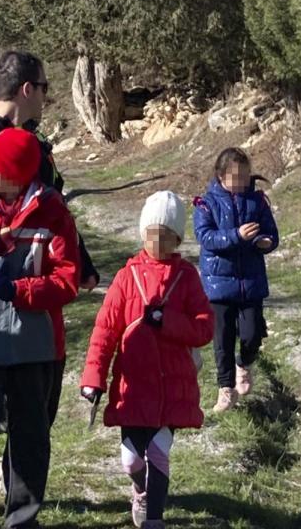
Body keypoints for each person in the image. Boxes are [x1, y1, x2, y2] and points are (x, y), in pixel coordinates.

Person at [0, 50, 99, 517]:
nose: (47, 96)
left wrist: (82, 267)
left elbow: (58, 215)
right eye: (44, 87)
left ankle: (21, 508)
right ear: (28, 88)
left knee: (32, 424)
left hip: (34, 332)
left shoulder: (34, 147)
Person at [80, 191, 213, 529]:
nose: (156, 242)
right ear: (142, 233)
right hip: (133, 388)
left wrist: (168, 321)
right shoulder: (126, 278)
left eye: (165, 236)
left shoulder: (187, 278)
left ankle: (154, 519)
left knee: (158, 453)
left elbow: (204, 328)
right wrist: (93, 378)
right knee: (130, 460)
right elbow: (105, 330)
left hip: (172, 388)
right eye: (151, 234)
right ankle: (139, 490)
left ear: (177, 239)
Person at [193, 147, 279, 413]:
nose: (241, 182)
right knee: (223, 340)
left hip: (251, 281)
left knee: (252, 334)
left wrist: (265, 242)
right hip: (218, 285)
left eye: (244, 175)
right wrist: (236, 236)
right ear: (221, 176)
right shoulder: (206, 203)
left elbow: (271, 233)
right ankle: (225, 388)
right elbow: (205, 237)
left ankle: (245, 362)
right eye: (235, 177)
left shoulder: (257, 201)